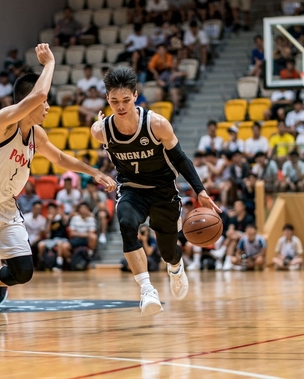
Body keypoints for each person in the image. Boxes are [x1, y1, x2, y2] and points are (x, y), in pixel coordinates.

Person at [0, 44, 116, 335]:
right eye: (44, 103)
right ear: (29, 102)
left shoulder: (36, 134)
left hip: (6, 208)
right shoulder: (1, 124)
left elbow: (60, 158)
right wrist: (50, 63)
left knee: (23, 272)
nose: (48, 107)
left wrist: (95, 172)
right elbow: (40, 95)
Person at [90, 66, 220, 316]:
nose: (120, 106)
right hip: (131, 189)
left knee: (167, 251)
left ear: (135, 95)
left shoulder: (156, 124)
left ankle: (175, 266)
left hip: (163, 190)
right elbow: (100, 130)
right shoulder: (101, 131)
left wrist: (200, 190)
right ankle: (147, 290)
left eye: (126, 100)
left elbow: (180, 158)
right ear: (107, 99)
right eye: (114, 101)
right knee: (126, 224)